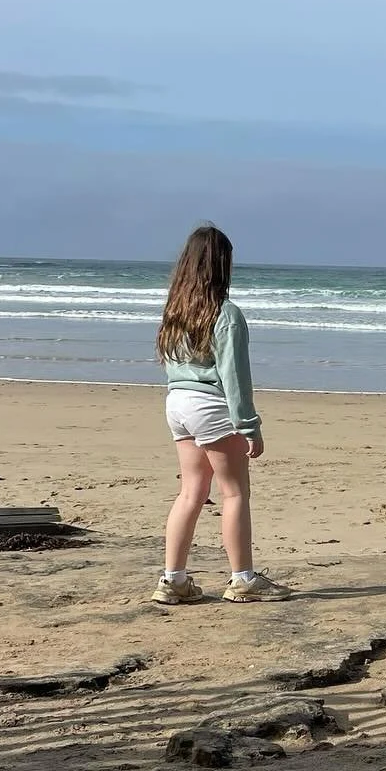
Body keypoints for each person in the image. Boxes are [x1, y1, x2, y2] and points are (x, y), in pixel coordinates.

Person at [152, 224, 291, 604]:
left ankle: (173, 579)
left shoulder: (176, 309)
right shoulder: (224, 313)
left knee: (191, 492)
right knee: (233, 493)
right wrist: (249, 425)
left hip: (177, 401)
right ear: (222, 266)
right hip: (209, 405)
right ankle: (243, 578)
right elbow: (234, 375)